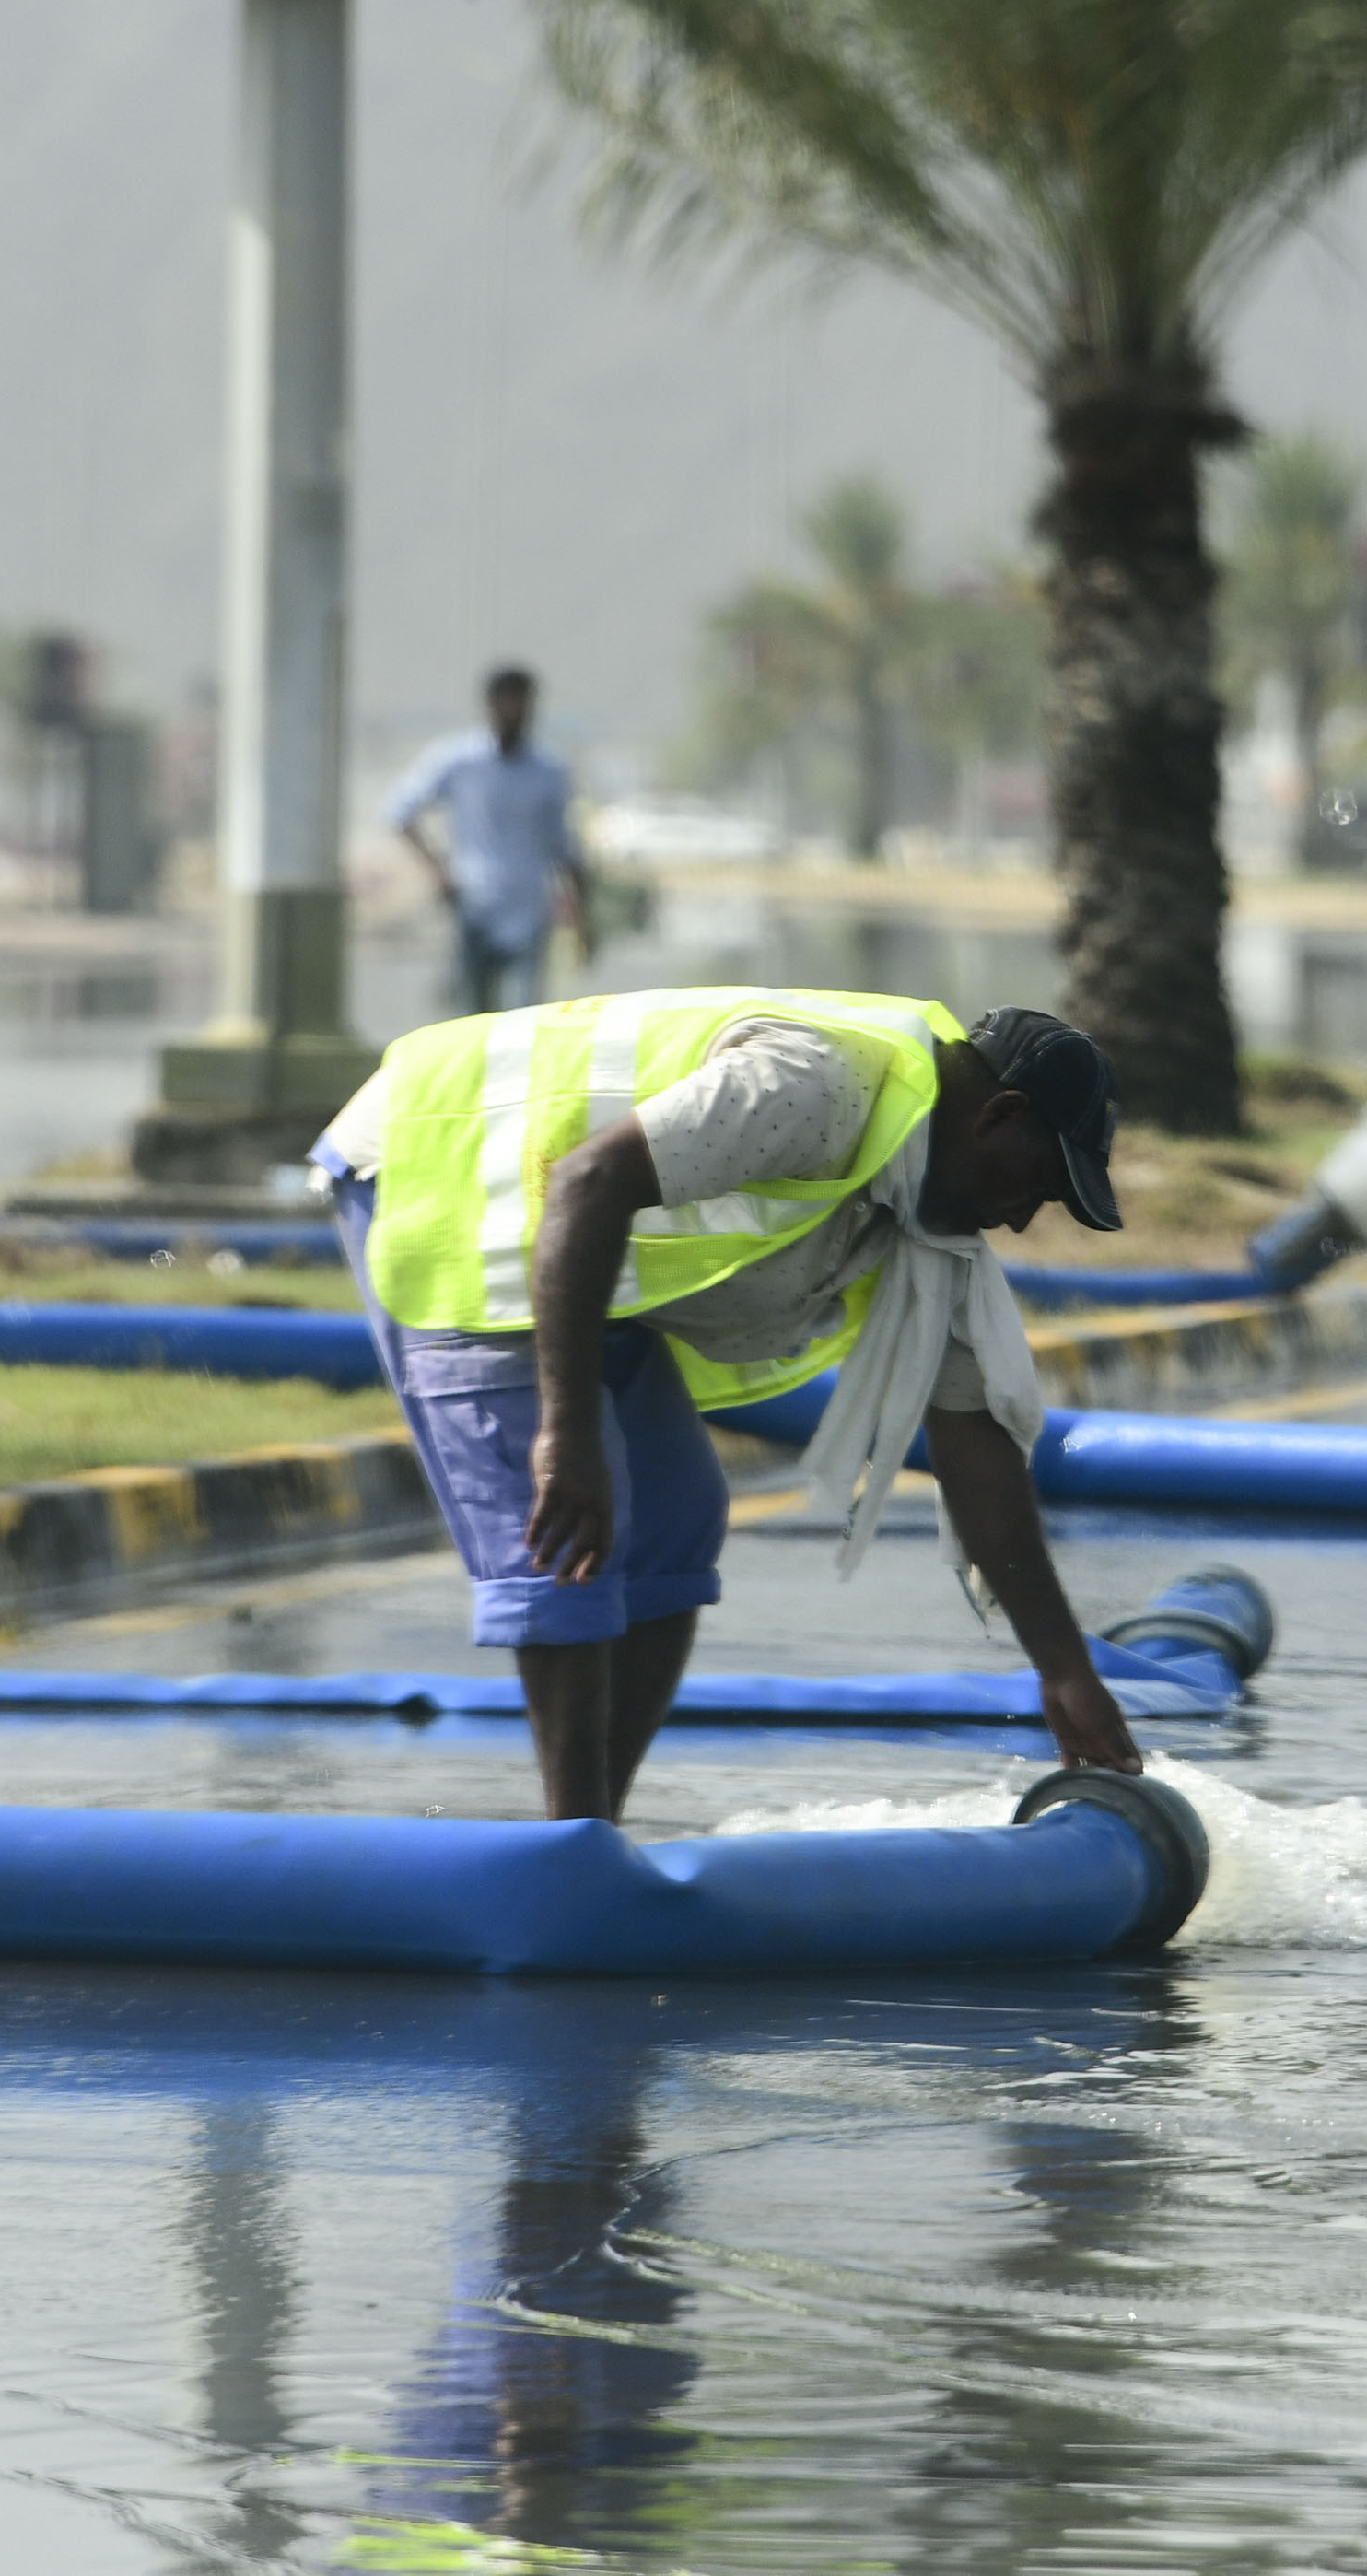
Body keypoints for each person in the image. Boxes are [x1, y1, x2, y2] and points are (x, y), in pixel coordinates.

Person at [310, 987, 1145, 1821]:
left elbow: (974, 1444)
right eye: (1040, 1183)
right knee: (561, 1529)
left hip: (577, 1231)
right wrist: (565, 1434)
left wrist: (1064, 1670)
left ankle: (593, 1828)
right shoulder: (816, 1085)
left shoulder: (929, 1217)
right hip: (443, 1170)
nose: (1024, 1220)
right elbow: (589, 1180)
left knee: (678, 1516)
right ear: (998, 1118)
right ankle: (574, 1849)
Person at [388, 666, 587, 1012]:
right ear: (490, 706)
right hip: (475, 907)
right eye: (506, 704)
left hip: (528, 912)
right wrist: (439, 871)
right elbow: (401, 812)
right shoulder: (460, 760)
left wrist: (582, 915)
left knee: (521, 1021)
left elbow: (563, 845)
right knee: (470, 1021)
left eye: (521, 705)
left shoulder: (547, 769)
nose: (514, 714)